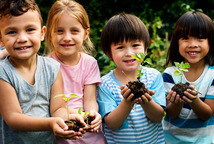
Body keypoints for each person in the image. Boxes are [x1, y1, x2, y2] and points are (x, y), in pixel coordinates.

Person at [0, 0, 86, 143]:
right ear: (1, 39)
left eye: (29, 30)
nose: (22, 38)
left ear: (42, 33)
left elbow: (58, 108)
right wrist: (51, 123)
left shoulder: (52, 68)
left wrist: (68, 119)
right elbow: (13, 118)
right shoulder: (3, 73)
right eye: (12, 32)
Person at [97, 13, 166, 144]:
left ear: (145, 49)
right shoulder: (105, 84)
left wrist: (147, 102)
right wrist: (127, 103)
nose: (129, 53)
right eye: (120, 47)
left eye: (135, 45)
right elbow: (112, 124)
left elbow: (158, 116)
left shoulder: (153, 76)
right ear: (109, 53)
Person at [45, 0, 106, 143]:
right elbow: (55, 107)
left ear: (86, 33)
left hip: (89, 134)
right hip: (63, 132)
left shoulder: (89, 63)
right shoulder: (47, 65)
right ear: (49, 34)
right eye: (59, 31)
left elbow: (90, 100)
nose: (67, 38)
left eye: (74, 31)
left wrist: (92, 114)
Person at [162, 11, 214, 143]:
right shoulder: (170, 74)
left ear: (210, 42)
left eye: (200, 38)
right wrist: (177, 101)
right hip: (171, 140)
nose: (192, 44)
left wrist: (194, 100)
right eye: (185, 38)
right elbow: (171, 114)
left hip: (203, 141)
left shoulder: (212, 75)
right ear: (176, 43)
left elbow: (207, 114)